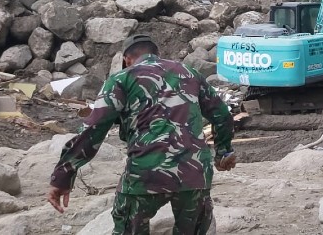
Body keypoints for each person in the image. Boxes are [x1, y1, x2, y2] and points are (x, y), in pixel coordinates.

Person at [47, 34, 235, 234]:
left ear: (127, 58)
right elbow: (223, 116)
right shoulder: (190, 73)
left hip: (144, 174)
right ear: (157, 53)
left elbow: (93, 130)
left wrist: (62, 177)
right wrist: (223, 152)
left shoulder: (121, 79)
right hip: (194, 174)